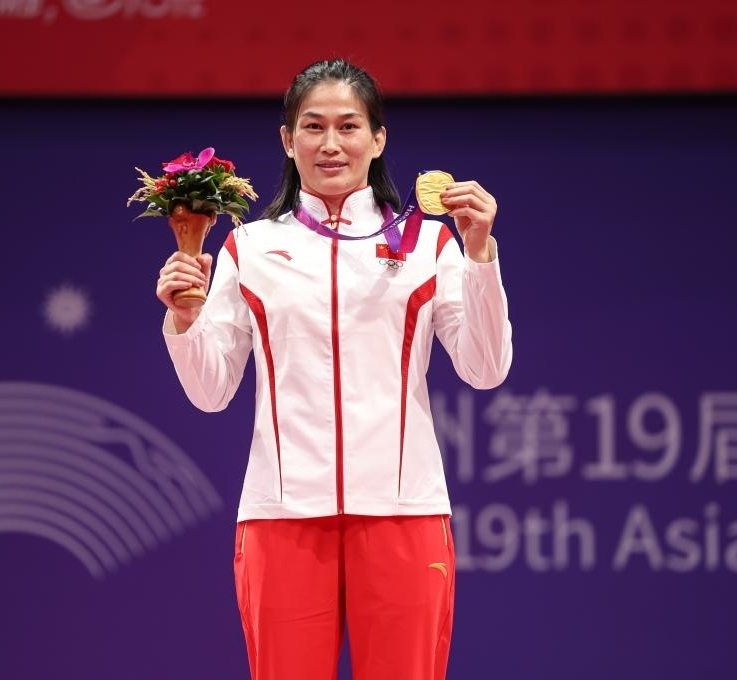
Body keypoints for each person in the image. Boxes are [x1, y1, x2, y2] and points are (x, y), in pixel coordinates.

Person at [155, 58, 512, 680]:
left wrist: (479, 254)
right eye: (313, 126)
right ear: (287, 140)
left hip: (403, 512)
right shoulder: (251, 247)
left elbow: (485, 368)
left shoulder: (429, 244)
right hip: (281, 516)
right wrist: (185, 321)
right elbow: (211, 391)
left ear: (378, 139)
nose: (330, 144)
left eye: (348, 126)